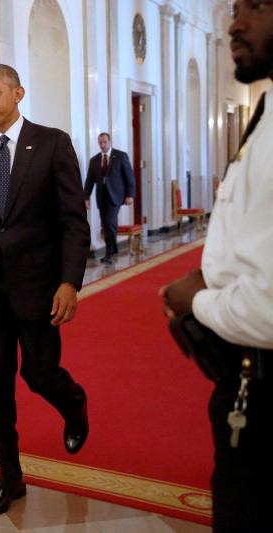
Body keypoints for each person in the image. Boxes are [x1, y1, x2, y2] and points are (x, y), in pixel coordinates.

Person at [158, 2, 273, 530]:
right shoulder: (265, 113)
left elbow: (269, 310)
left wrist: (194, 299)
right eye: (234, 8)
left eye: (258, 5)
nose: (235, 22)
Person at [0, 64, 91, 516]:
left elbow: (73, 220)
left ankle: (75, 404)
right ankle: (10, 479)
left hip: (39, 288)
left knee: (39, 374)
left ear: (17, 93)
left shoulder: (52, 144)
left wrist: (70, 281)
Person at [83, 133, 135, 265]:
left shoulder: (120, 156)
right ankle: (114, 248)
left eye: (105, 142)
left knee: (110, 223)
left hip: (116, 196)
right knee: (105, 224)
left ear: (110, 142)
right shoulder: (94, 160)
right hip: (102, 197)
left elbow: (129, 177)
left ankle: (109, 252)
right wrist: (86, 197)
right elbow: (89, 181)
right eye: (100, 142)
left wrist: (130, 195)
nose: (102, 145)